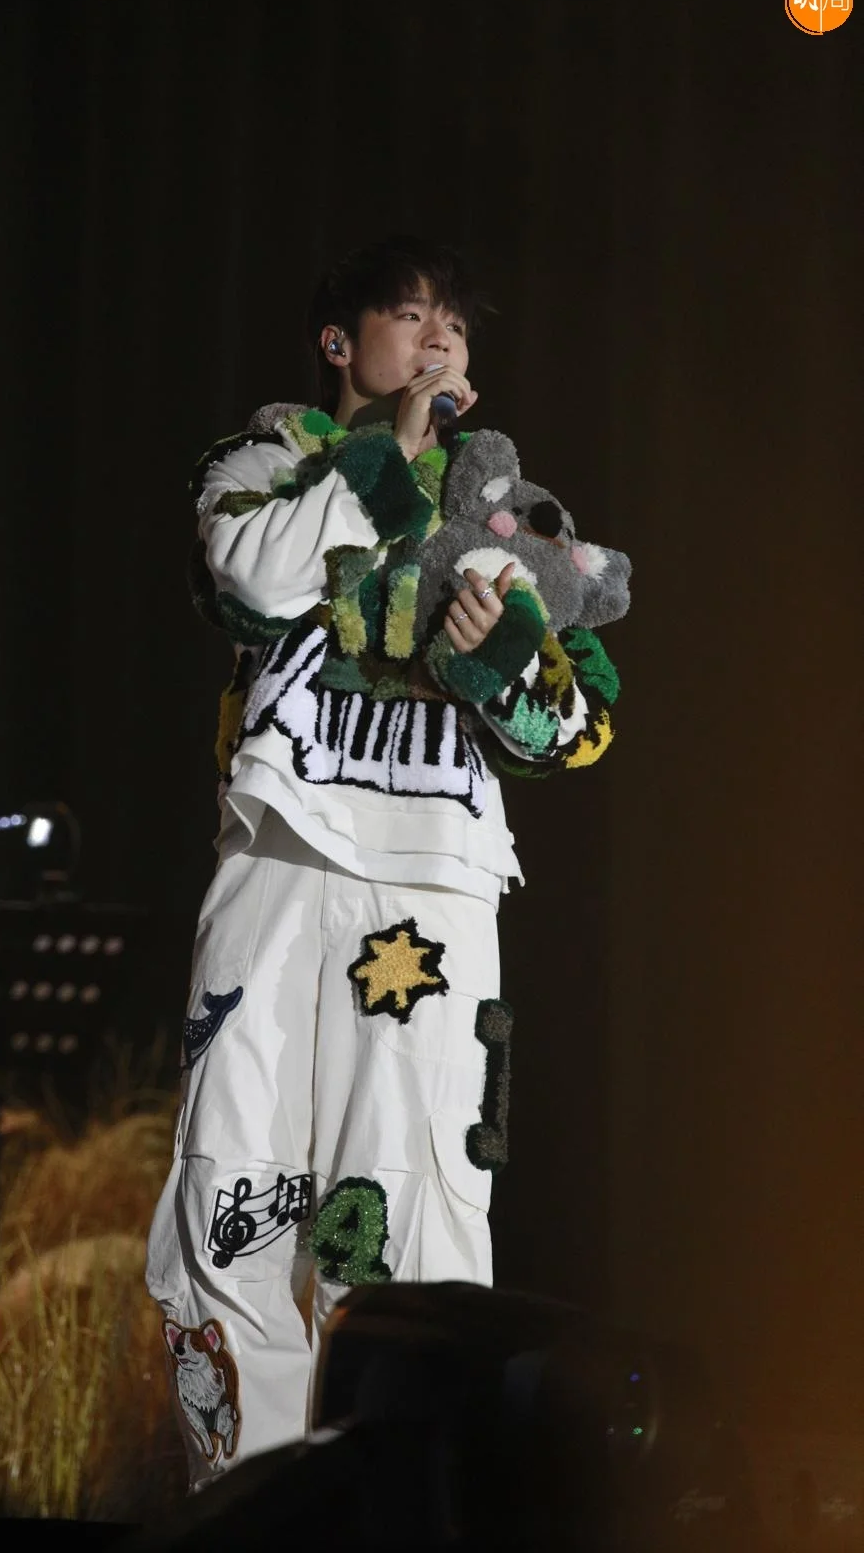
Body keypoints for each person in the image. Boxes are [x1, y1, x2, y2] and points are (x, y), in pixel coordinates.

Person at [145, 235, 621, 1490]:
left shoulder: (510, 515)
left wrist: (500, 658)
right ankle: (247, 1504)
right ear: (339, 342)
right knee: (232, 1187)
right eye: (412, 315)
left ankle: (403, 1505)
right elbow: (249, 579)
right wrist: (390, 458)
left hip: (433, 884)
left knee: (409, 1205)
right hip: (277, 861)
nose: (439, 337)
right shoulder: (265, 461)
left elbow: (577, 726)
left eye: (454, 322)